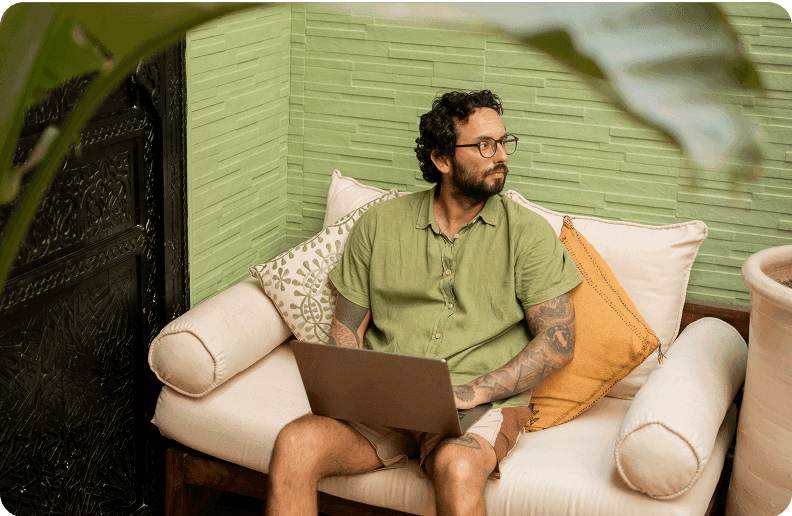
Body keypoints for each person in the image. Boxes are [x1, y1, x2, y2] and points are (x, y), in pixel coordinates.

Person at [265, 90, 583, 516]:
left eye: (504, 142)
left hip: (476, 405)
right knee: (294, 443)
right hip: (383, 403)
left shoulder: (527, 233)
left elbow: (558, 341)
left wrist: (473, 391)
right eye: (485, 145)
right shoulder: (378, 224)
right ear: (442, 159)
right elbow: (347, 327)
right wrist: (349, 393)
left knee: (458, 467)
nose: (502, 156)